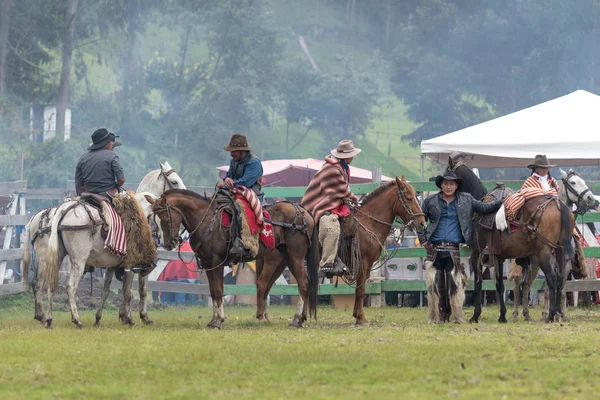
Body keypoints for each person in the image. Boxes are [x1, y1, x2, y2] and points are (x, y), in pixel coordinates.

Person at [419, 170, 502, 323]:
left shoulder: (467, 199)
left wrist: (502, 201)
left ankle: (454, 314)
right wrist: (423, 239)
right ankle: (439, 314)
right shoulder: (430, 201)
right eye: (445, 183)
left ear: (456, 185)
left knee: (454, 284)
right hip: (434, 247)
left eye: (451, 184)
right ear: (441, 185)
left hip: (453, 248)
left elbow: (484, 208)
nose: (448, 186)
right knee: (436, 283)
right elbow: (419, 220)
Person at [301, 140, 361, 277]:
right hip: (321, 204)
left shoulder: (342, 166)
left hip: (336, 203)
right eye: (351, 155)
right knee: (331, 226)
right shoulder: (332, 168)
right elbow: (338, 189)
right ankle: (327, 262)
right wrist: (353, 198)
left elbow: (340, 190)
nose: (353, 158)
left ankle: (339, 257)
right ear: (347, 156)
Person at [216, 134, 264, 258]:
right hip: (235, 192)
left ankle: (242, 242)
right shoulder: (234, 161)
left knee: (238, 208)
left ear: (243, 151)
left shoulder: (254, 162)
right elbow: (229, 175)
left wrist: (226, 185)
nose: (232, 154)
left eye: (234, 151)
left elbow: (245, 182)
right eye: (231, 151)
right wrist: (226, 179)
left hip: (251, 194)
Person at [75, 128, 124, 202]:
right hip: (108, 195)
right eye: (111, 141)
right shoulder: (112, 155)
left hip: (87, 196)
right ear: (106, 143)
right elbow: (121, 180)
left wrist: (91, 191)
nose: (112, 143)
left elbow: (79, 186)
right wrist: (115, 187)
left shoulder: (83, 158)